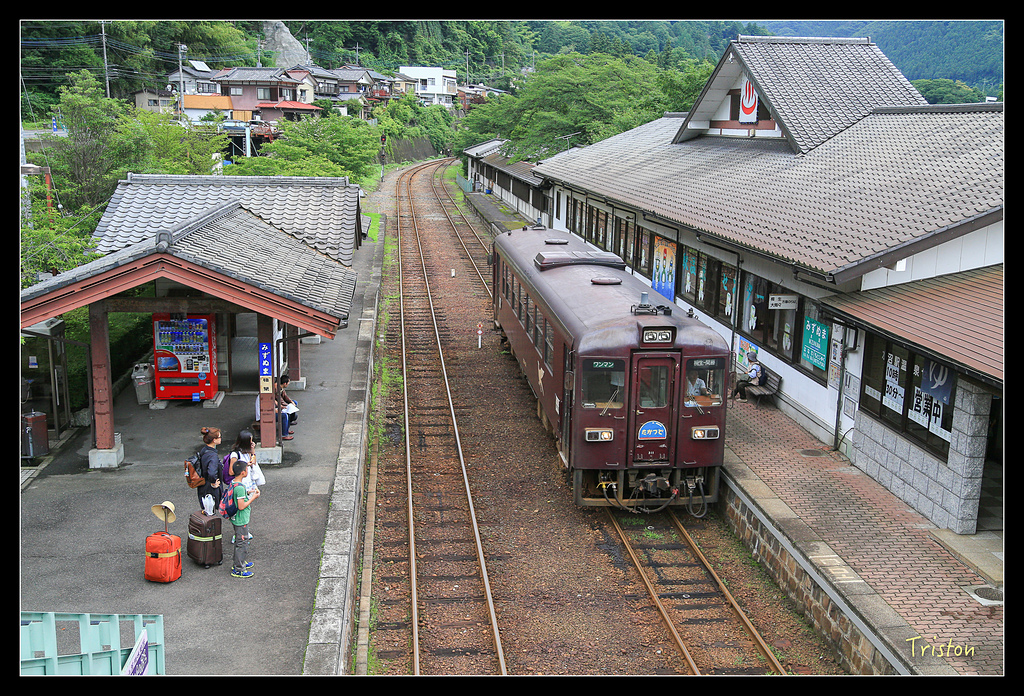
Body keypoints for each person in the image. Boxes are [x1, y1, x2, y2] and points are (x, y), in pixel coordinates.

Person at [226, 458, 260, 579]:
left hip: (236, 518)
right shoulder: (240, 487)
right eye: (246, 469)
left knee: (239, 542)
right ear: (243, 472)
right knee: (242, 543)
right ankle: (239, 568)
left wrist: (249, 492)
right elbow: (241, 506)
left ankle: (239, 562)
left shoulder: (234, 483)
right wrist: (253, 497)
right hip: (241, 519)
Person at [225, 430, 257, 543]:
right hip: (240, 484)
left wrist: (253, 451)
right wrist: (245, 465)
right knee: (240, 508)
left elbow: (254, 462)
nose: (252, 442)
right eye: (250, 441)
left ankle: (244, 531)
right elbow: (231, 471)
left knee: (246, 509)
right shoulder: (235, 454)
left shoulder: (247, 452)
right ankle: (239, 534)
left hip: (248, 482)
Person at [196, 427, 222, 510]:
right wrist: (213, 482)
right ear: (214, 440)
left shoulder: (204, 450)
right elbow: (212, 472)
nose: (221, 438)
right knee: (211, 510)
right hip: (210, 488)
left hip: (203, 485)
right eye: (219, 437)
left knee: (206, 509)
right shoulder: (213, 455)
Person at [274, 374, 296, 440]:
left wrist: (291, 402)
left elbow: (285, 397)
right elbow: (279, 400)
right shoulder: (276, 388)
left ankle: (287, 426)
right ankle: (284, 434)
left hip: (277, 406)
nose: (288, 384)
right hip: (273, 410)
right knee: (285, 415)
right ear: (284, 383)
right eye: (288, 383)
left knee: (294, 403)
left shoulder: (281, 388)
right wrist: (286, 406)